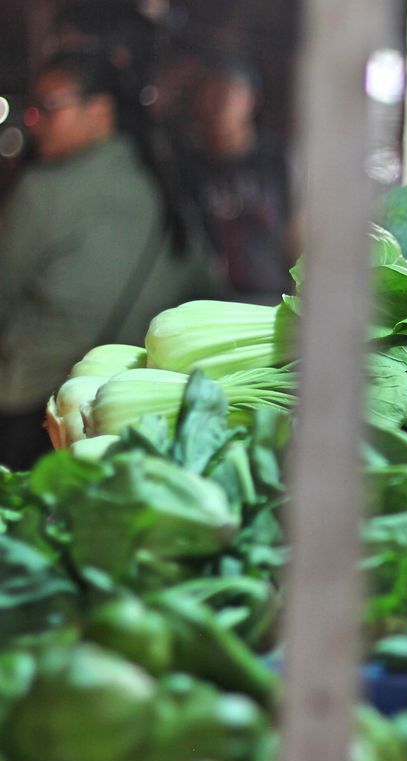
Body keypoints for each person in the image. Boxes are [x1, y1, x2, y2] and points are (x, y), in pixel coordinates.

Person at [0, 52, 213, 470]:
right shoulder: (167, 186)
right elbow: (206, 286)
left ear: (99, 111)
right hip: (126, 417)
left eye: (49, 106)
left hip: (29, 409)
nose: (34, 120)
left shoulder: (43, 191)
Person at [180, 56, 295, 304]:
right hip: (205, 300)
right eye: (210, 93)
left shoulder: (277, 161)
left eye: (229, 93)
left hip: (269, 297)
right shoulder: (187, 165)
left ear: (252, 100)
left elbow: (298, 229)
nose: (219, 104)